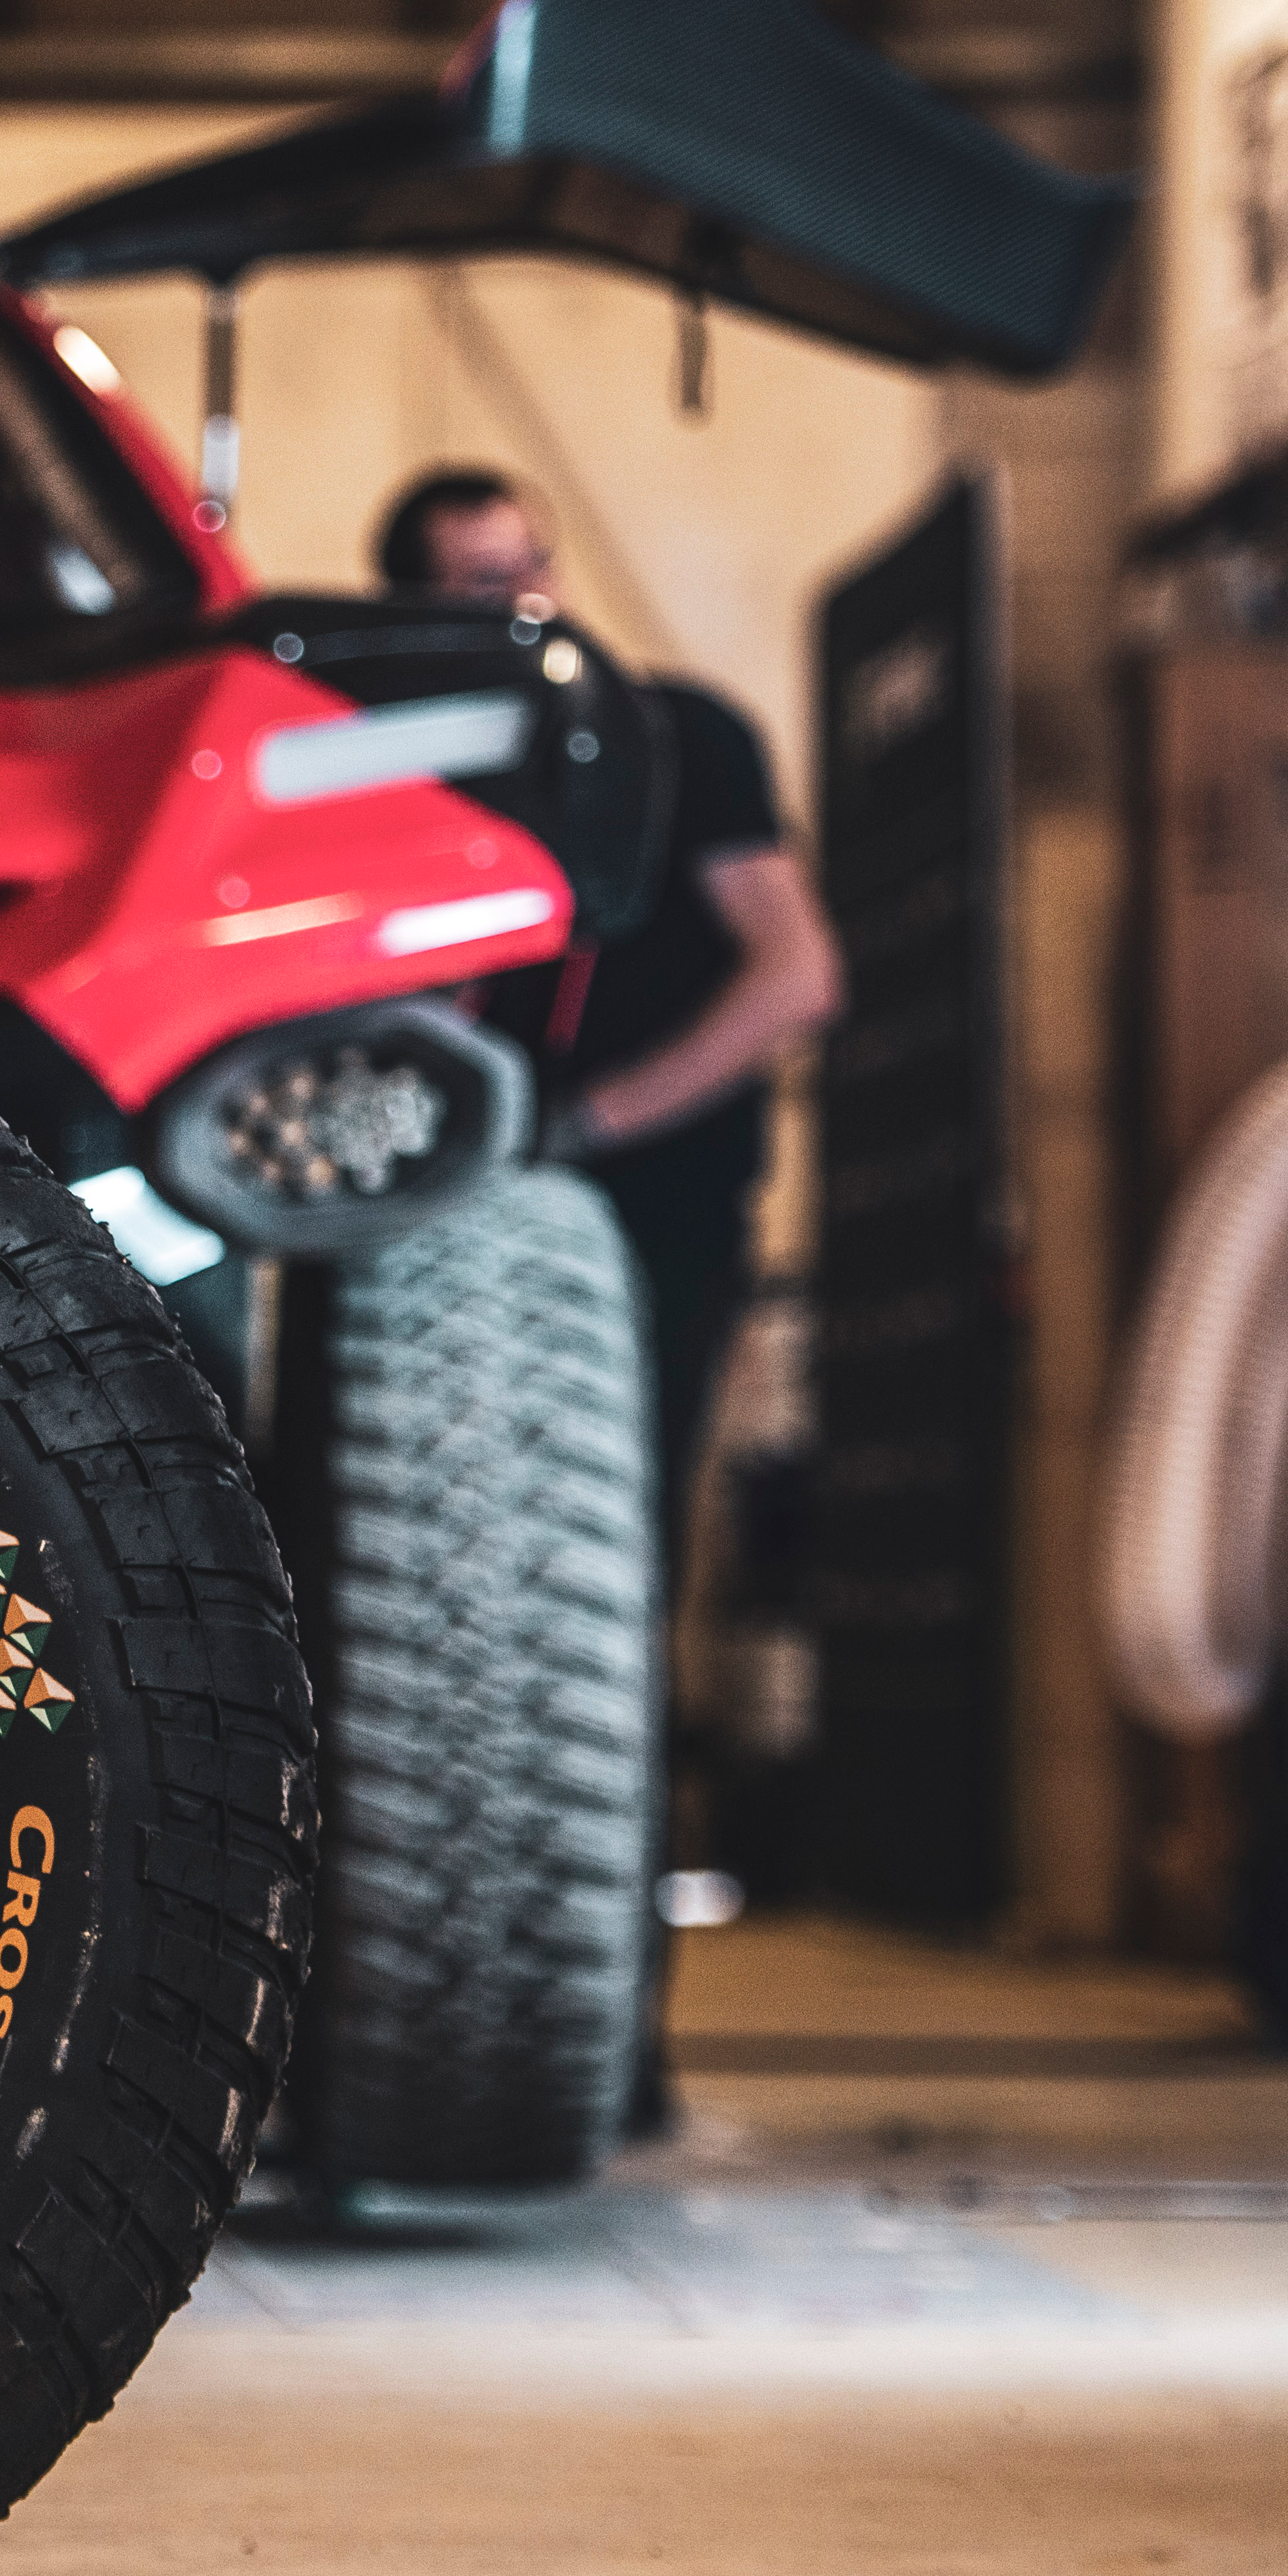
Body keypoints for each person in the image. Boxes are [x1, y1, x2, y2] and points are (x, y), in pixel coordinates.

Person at [378, 466, 844, 2129]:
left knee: (600, 1606)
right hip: (445, 1228)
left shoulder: (681, 739)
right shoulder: (402, 760)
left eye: (524, 574)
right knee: (418, 1608)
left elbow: (795, 972)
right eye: (463, 590)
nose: (510, 611)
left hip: (648, 1221)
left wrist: (587, 1124)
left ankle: (610, 2038)